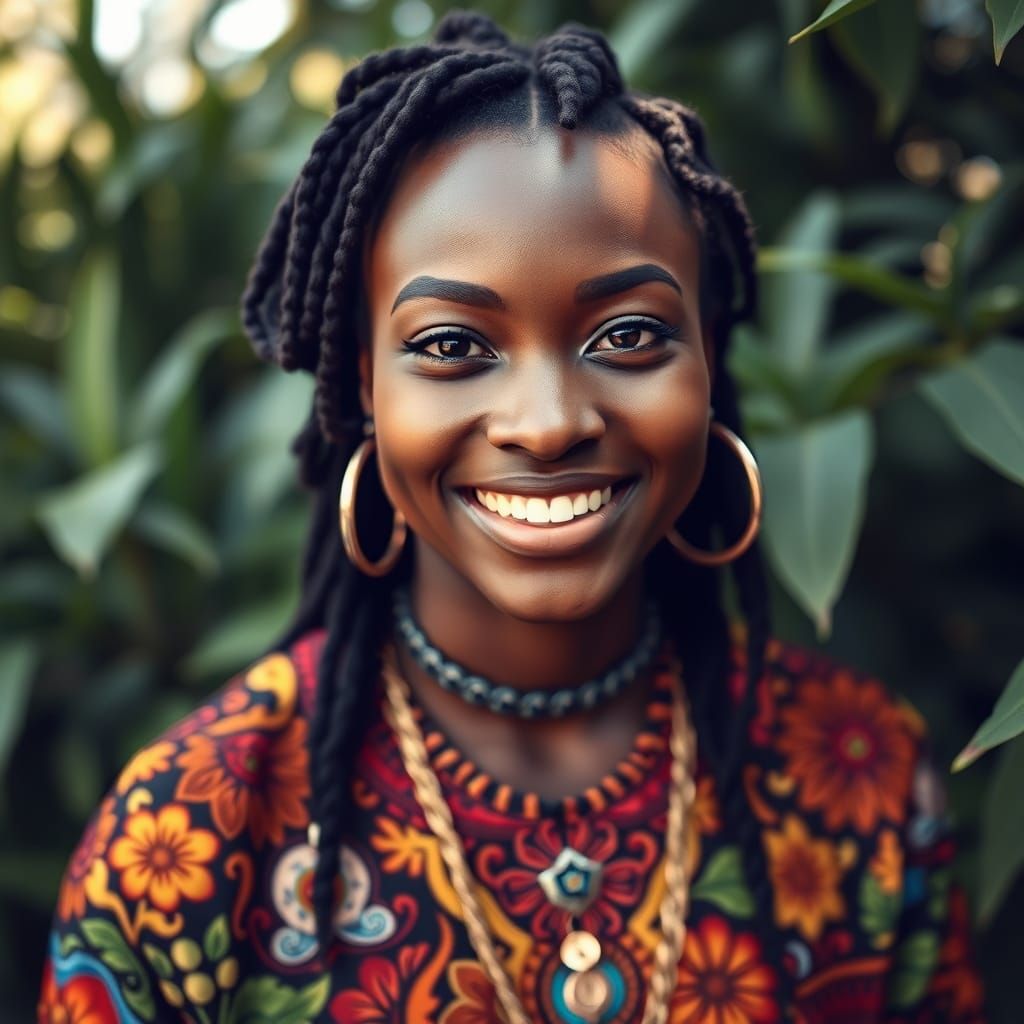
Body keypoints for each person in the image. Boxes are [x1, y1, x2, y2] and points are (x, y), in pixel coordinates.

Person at [38, 11, 985, 1023]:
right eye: (451, 346)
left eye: (626, 334)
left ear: (708, 356)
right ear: (364, 381)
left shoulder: (860, 775)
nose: (546, 424)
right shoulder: (187, 835)